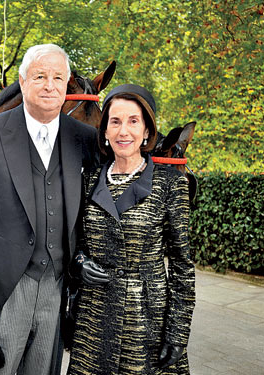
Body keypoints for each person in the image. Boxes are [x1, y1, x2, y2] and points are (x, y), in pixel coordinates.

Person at [0, 44, 99, 374]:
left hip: (57, 287)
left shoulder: (84, 137)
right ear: (22, 80)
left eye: (59, 77)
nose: (50, 85)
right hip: (3, 287)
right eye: (40, 76)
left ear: (67, 83)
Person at [67, 84, 195, 375]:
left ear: (147, 130)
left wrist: (178, 334)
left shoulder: (170, 185)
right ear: (105, 132)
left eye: (133, 121)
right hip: (94, 320)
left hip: (147, 320)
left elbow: (182, 267)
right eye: (115, 121)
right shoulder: (88, 181)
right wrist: (80, 263)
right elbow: (76, 245)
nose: (123, 131)